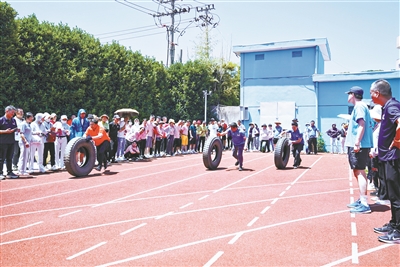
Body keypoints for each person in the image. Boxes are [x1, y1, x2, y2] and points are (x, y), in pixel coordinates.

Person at [369, 79, 400, 243]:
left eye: (371, 94)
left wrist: (395, 142)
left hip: (394, 158)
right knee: (392, 195)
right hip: (388, 158)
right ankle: (394, 224)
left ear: (376, 93)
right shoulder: (387, 107)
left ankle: (399, 230)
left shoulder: (393, 106)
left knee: (396, 196)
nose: (371, 97)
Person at [345, 86, 373, 214]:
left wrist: (357, 142)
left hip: (359, 145)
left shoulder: (359, 106)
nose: (347, 96)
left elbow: (362, 124)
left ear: (353, 94)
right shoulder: (361, 106)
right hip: (360, 144)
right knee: (358, 171)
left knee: (360, 171)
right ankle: (362, 199)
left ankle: (364, 203)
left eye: (349, 94)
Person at [0, 106, 19, 179]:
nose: (13, 114)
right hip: (2, 142)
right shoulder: (1, 120)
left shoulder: (13, 120)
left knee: (9, 158)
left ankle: (9, 172)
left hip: (11, 141)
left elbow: (14, 128)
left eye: (14, 112)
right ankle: (0, 173)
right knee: (1, 158)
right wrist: (5, 131)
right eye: (12, 112)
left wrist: (16, 130)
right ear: (7, 111)